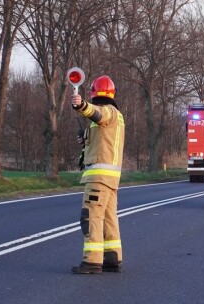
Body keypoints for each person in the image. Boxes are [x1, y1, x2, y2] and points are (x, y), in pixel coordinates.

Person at [71, 75, 125, 274]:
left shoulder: (108, 112)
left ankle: (92, 261)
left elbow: (97, 113)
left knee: (91, 216)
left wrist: (81, 105)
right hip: (110, 179)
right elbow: (101, 143)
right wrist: (85, 138)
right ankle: (112, 258)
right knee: (109, 218)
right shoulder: (115, 117)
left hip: (99, 179)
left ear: (94, 94)